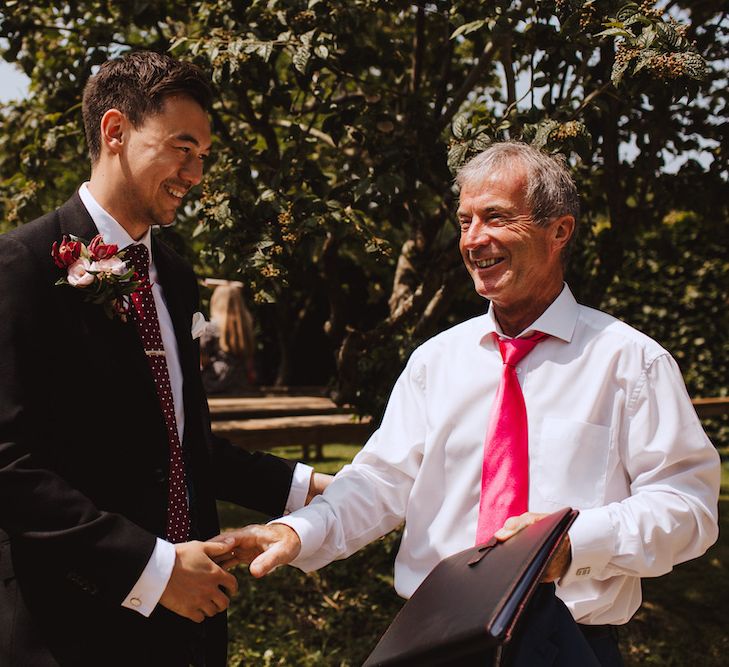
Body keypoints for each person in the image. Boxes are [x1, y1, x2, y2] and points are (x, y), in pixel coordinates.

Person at [214, 142, 721, 665]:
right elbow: (381, 482)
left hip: (563, 644)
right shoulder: (436, 362)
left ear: (559, 231)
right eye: (464, 221)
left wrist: (570, 544)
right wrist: (297, 530)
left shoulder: (631, 362)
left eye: (496, 218)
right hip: (435, 642)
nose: (474, 240)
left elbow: (690, 508)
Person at [0, 51, 330, 667]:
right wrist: (152, 567)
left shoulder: (175, 275)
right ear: (116, 132)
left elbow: (177, 442)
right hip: (66, 625)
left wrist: (306, 487)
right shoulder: (20, 266)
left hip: (189, 627)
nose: (196, 172)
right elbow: (10, 466)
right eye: (183, 147)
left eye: (203, 153)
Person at [201, 282, 257, 394]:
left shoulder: (210, 328)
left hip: (215, 383)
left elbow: (203, 357)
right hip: (241, 384)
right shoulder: (246, 327)